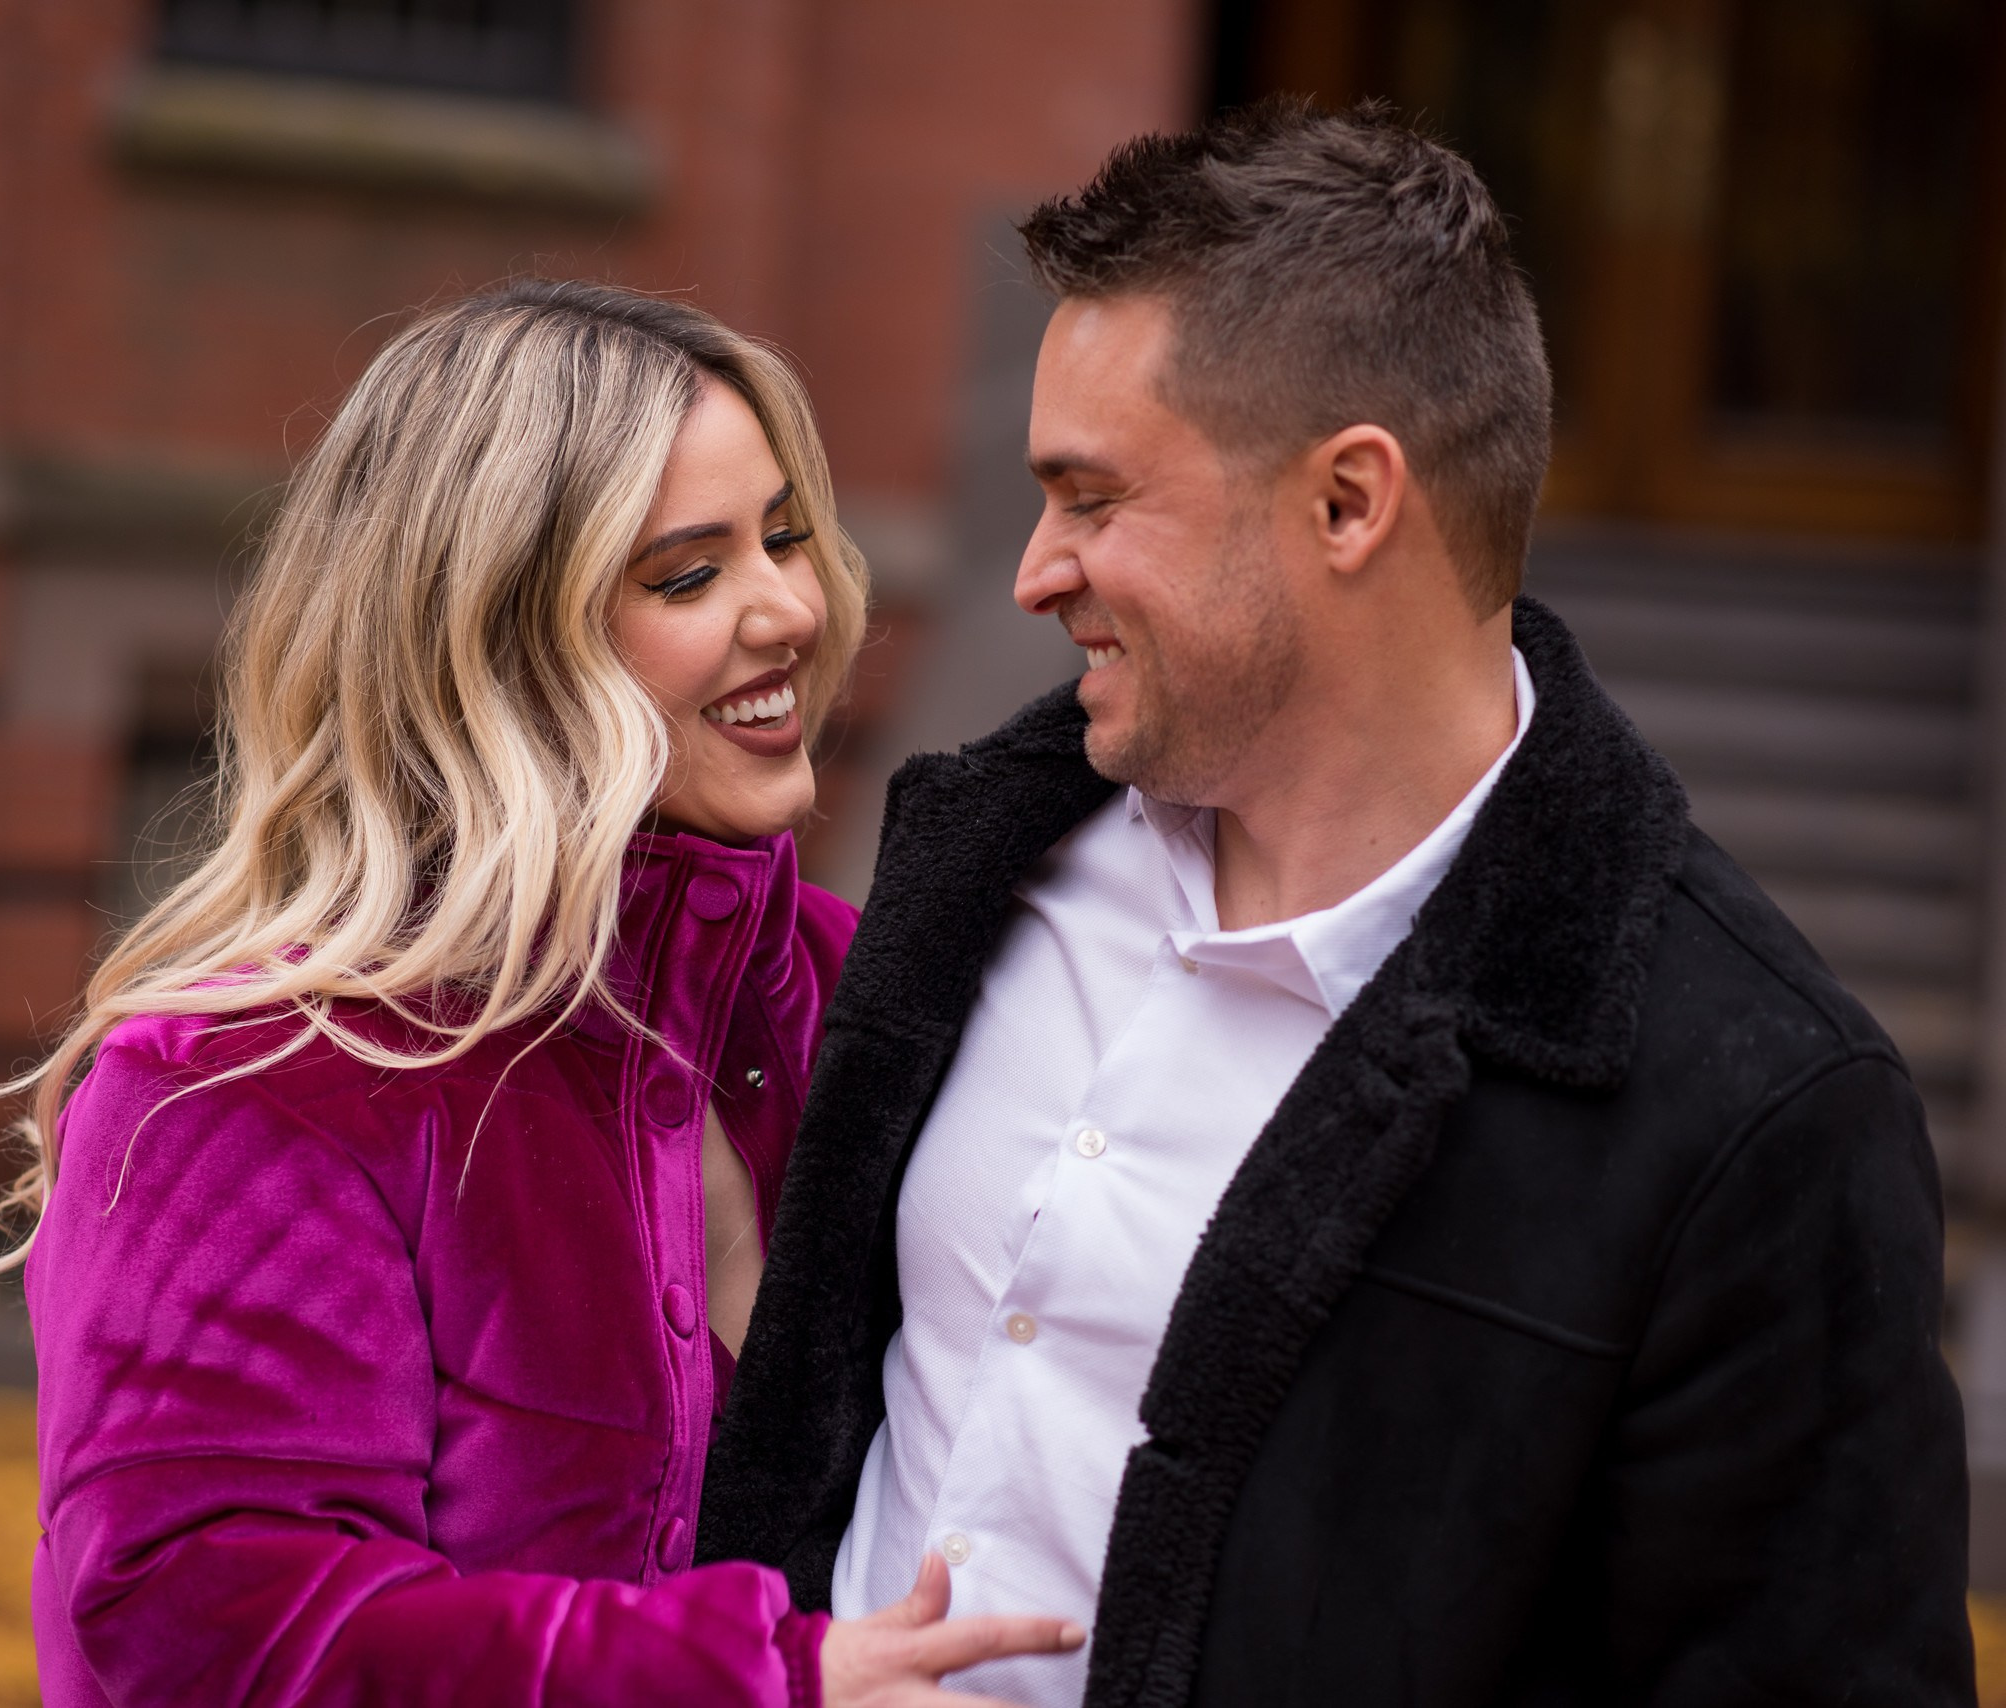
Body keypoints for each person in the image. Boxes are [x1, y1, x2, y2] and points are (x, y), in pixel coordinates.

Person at [701, 101, 1973, 1706]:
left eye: (1094, 498)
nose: (1033, 570)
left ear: (1349, 503)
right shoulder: (973, 871)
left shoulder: (1759, 1113)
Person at [3, 280, 1082, 1707]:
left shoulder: (867, 993)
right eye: (687, 576)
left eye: (786, 538)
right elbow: (201, 1627)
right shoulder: (247, 1080)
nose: (790, 612)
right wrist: (761, 1682)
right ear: (501, 650)